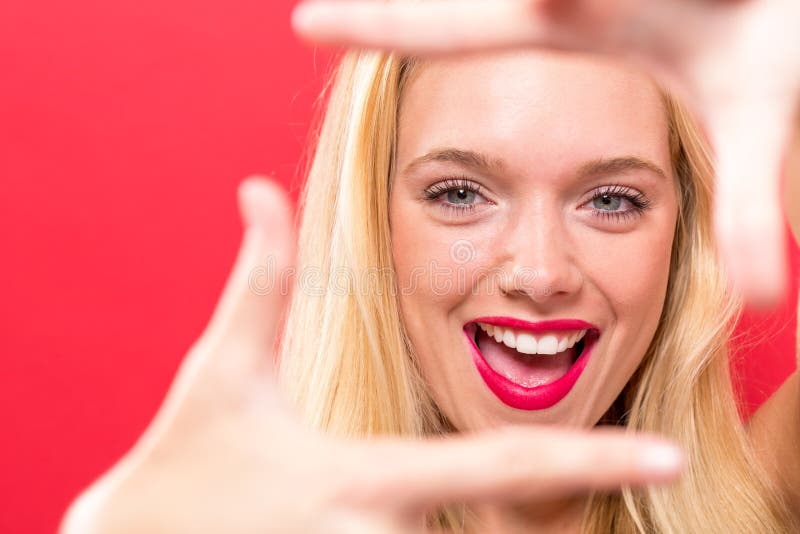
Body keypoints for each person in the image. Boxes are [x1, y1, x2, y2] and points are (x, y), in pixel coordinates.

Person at [61, 5, 800, 534]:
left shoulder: (770, 495)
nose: (540, 274)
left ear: (681, 232)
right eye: (459, 194)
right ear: (376, 225)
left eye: (610, 199)